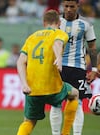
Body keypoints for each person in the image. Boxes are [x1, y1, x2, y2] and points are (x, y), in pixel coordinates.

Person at [16, 10, 79, 135]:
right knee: (75, 94)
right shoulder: (60, 33)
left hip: (32, 88)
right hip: (52, 87)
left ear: (44, 23)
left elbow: (20, 61)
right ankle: (65, 133)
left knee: (29, 121)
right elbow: (57, 44)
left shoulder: (32, 37)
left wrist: (24, 84)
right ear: (59, 22)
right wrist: (59, 58)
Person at [49, 1, 98, 135]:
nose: (69, 9)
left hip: (78, 68)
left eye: (72, 6)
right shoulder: (55, 22)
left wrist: (94, 69)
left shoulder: (85, 24)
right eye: (66, 6)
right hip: (57, 67)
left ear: (78, 6)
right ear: (63, 6)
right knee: (56, 102)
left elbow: (92, 48)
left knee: (78, 102)